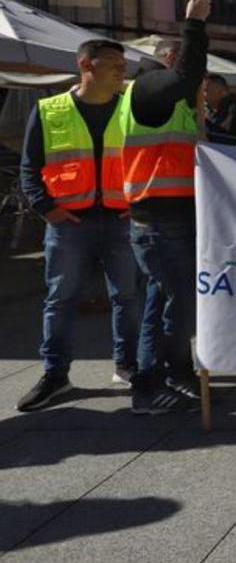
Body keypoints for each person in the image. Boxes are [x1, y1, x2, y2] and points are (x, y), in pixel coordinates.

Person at [15, 40, 143, 411]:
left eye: (124, 64)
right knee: (60, 300)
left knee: (128, 297)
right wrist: (45, 208)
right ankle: (56, 375)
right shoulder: (49, 110)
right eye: (114, 64)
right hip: (69, 222)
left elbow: (144, 160)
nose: (123, 70)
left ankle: (127, 366)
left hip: (121, 218)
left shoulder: (130, 108)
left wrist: (137, 204)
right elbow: (30, 166)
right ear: (86, 65)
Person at [118, 0, 212, 414]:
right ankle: (149, 384)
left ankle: (173, 373)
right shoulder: (147, 91)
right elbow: (186, 79)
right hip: (158, 218)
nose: (183, 61)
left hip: (172, 215)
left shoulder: (168, 102)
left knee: (165, 298)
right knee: (174, 300)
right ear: (162, 63)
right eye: (177, 55)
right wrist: (194, 24)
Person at [202, 73, 236, 145]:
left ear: (222, 92)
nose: (202, 95)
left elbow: (228, 138)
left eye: (205, 90)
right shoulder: (207, 111)